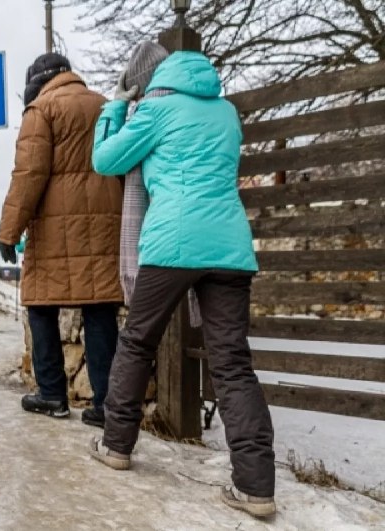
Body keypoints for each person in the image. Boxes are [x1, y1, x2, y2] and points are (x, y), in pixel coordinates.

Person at [87, 42, 276, 518]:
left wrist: (114, 106)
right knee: (233, 363)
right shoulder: (228, 113)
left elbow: (106, 161)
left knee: (137, 343)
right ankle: (256, 488)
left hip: (172, 241)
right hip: (230, 249)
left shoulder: (154, 109)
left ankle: (115, 446)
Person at [0, 52, 124, 428]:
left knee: (40, 306)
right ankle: (106, 405)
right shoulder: (103, 105)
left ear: (36, 82)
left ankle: (52, 394)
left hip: (55, 229)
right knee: (100, 309)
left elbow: (29, 175)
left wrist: (9, 230)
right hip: (105, 225)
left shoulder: (42, 110)